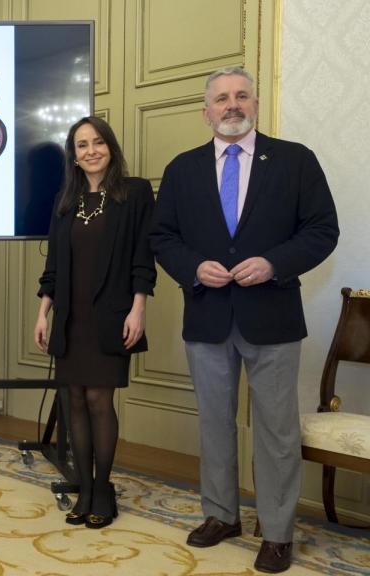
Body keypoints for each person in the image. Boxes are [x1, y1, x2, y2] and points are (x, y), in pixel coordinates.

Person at [150, 66, 338, 574]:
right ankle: (221, 515)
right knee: (214, 425)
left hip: (273, 317)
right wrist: (193, 267)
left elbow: (322, 229)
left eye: (241, 96)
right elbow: (162, 236)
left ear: (255, 103)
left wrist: (274, 263)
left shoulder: (295, 160)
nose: (231, 105)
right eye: (221, 99)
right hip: (207, 316)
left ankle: (276, 532)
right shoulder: (182, 169)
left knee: (277, 431)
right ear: (205, 112)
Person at [34, 116, 155, 530]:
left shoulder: (135, 193)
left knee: (101, 401)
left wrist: (138, 309)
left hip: (112, 315)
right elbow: (53, 264)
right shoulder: (65, 200)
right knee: (75, 402)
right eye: (82, 145)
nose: (91, 151)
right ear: (74, 155)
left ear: (110, 147)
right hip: (70, 316)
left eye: (98, 142)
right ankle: (83, 489)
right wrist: (43, 313)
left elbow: (143, 257)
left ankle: (103, 489)